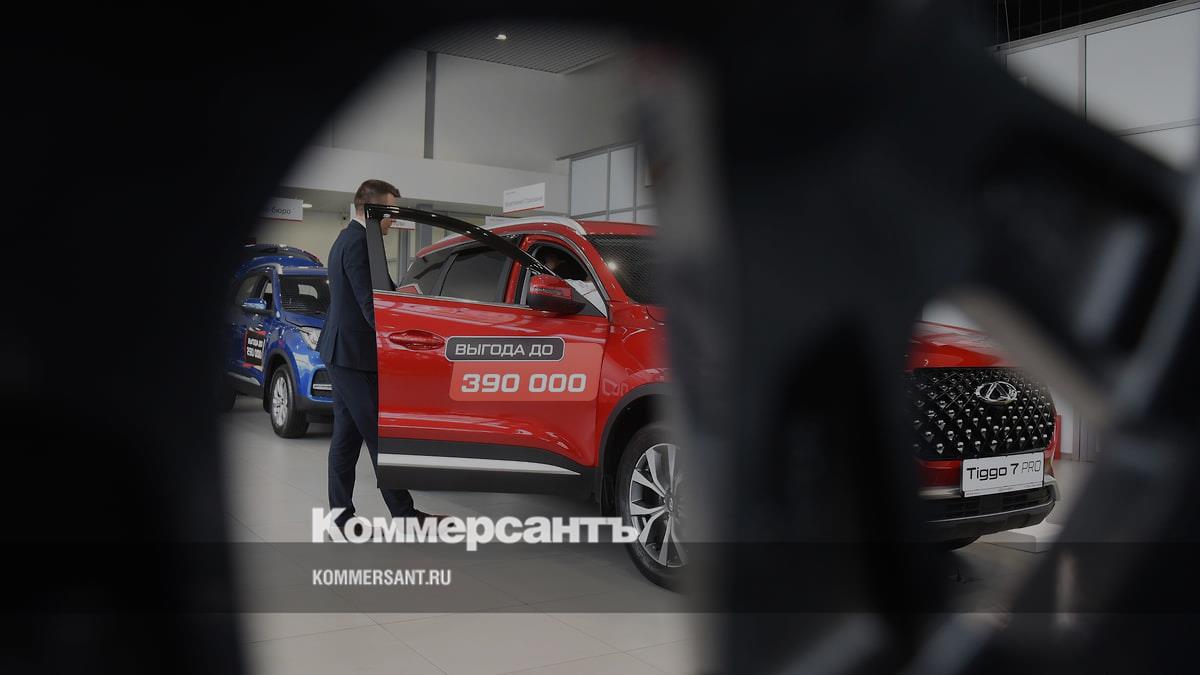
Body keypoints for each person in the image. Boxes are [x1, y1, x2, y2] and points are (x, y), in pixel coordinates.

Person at [317, 178, 434, 530]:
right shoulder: (358, 242)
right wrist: (400, 339)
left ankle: (340, 517)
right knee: (379, 436)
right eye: (390, 211)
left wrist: (404, 298)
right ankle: (404, 516)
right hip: (352, 356)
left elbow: (374, 294)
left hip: (345, 353)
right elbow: (369, 304)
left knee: (346, 439)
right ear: (372, 209)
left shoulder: (350, 238)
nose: (394, 218)